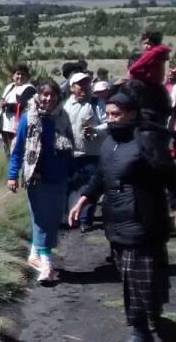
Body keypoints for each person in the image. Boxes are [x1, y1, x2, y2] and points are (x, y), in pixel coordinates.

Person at [69, 92, 176, 342]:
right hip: (116, 219)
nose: (110, 119)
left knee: (135, 276)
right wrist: (83, 200)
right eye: (107, 114)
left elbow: (170, 176)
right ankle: (151, 310)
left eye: (116, 114)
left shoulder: (146, 141)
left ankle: (139, 329)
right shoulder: (109, 143)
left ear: (132, 113)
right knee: (130, 273)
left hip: (143, 220)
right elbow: (100, 177)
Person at [7, 79, 74, 283]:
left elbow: (70, 146)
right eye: (44, 94)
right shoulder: (29, 118)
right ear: (38, 96)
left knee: (53, 219)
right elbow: (18, 149)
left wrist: (72, 171)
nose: (48, 98)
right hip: (36, 178)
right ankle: (46, 265)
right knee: (40, 219)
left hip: (59, 177)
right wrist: (12, 175)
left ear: (57, 97)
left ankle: (35, 255)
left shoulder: (63, 118)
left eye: (52, 95)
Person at [64, 72, 107, 233]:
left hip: (93, 153)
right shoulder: (66, 106)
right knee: (73, 186)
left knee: (90, 187)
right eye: (80, 84)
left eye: (87, 83)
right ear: (72, 87)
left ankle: (85, 220)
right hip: (72, 153)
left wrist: (95, 130)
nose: (84, 87)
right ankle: (72, 217)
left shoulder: (97, 104)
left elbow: (108, 124)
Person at [0, 64, 37, 156]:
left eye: (23, 74)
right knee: (8, 151)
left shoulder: (29, 89)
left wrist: (8, 105)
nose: (20, 76)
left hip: (19, 126)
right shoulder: (10, 87)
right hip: (6, 125)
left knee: (17, 152)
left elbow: (26, 106)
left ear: (27, 76)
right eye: (18, 74)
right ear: (13, 76)